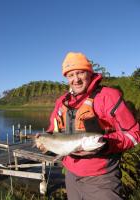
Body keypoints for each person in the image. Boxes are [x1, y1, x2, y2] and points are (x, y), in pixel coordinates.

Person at [37, 52, 140, 200]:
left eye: (80, 73)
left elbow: (134, 133)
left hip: (101, 179)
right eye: (71, 75)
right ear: (66, 78)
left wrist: (107, 144)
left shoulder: (108, 97)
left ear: (89, 73)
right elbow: (53, 130)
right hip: (71, 176)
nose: (76, 79)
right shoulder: (61, 102)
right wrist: (45, 141)